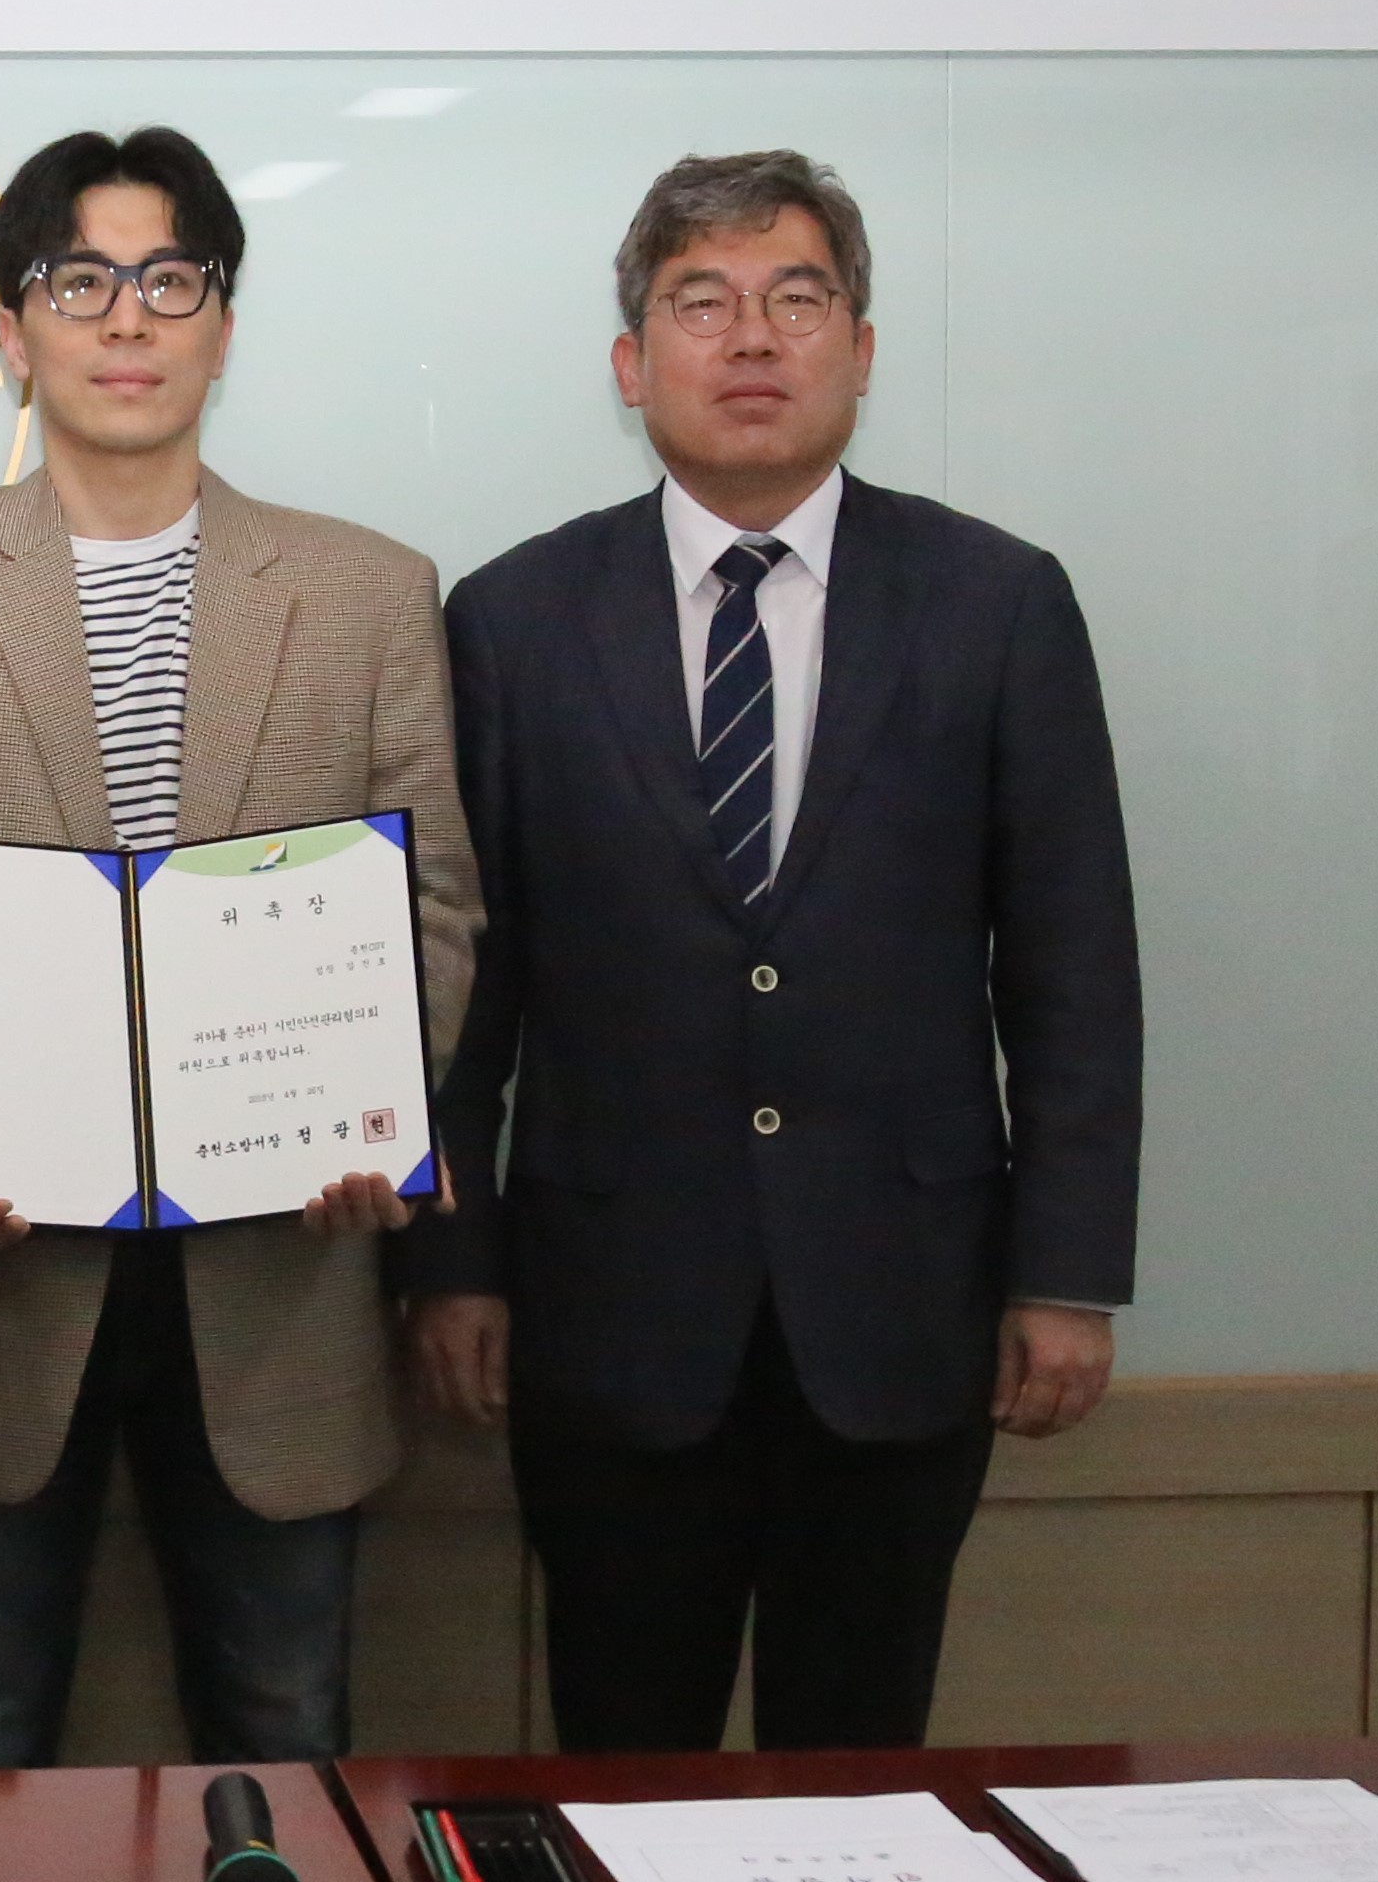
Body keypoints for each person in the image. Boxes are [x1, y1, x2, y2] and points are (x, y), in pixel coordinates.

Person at [0, 127, 480, 1770]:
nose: (127, 317)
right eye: (78, 281)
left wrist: (370, 1108)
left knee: (284, 1734)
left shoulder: (366, 591)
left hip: (278, 1272)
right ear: (13, 333)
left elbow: (431, 901)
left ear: (223, 322)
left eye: (169, 278)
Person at [405, 149, 1144, 1752]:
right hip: (606, 1309)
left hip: (902, 1304)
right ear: (629, 364)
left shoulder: (996, 603)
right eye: (702, 302)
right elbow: (460, 983)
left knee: (863, 1770)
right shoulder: (514, 619)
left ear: (859, 350)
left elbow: (1072, 970)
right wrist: (453, 1261)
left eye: (794, 298)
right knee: (621, 1757)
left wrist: (1067, 1272)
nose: (750, 337)